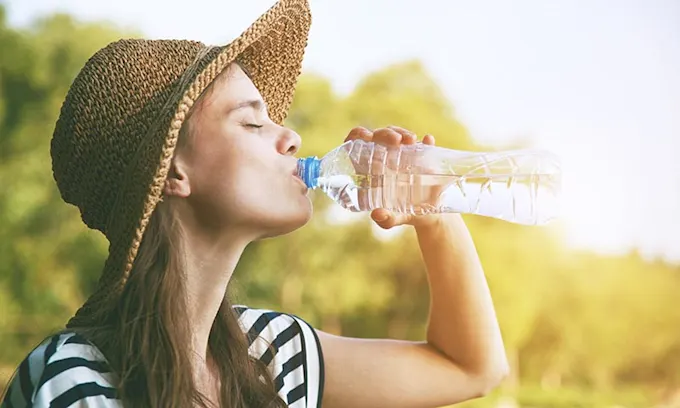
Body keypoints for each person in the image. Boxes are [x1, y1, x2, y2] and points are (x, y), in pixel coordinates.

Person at [0, 0, 509, 407]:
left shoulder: (272, 353)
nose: (290, 136)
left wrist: (434, 216)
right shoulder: (73, 381)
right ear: (172, 170)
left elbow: (470, 368)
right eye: (251, 122)